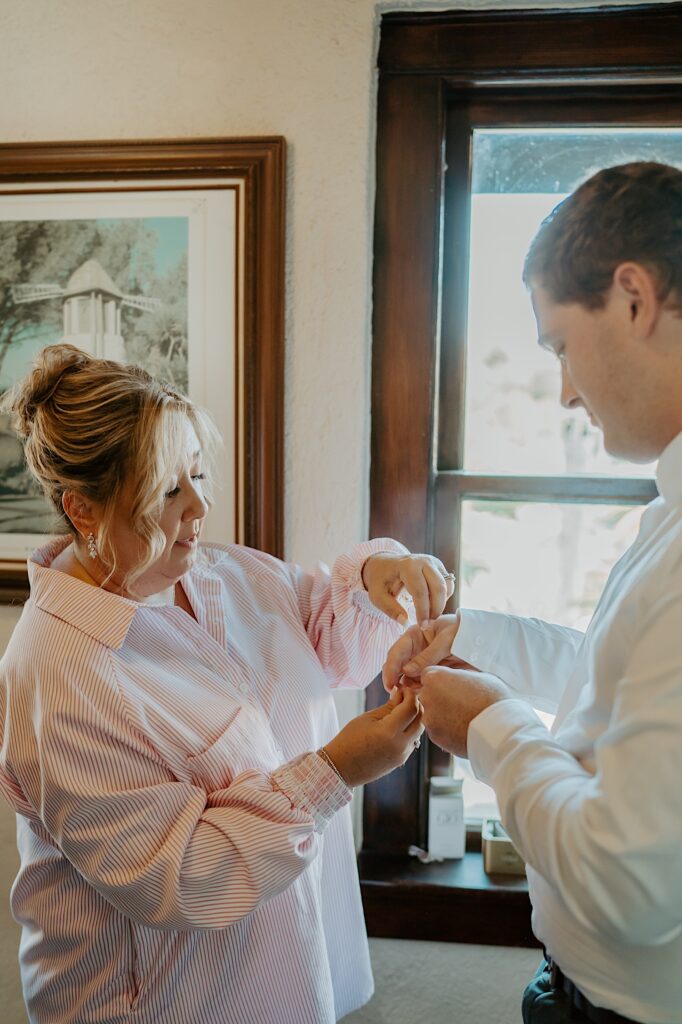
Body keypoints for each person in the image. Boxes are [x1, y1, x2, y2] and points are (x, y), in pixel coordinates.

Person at [0, 344, 454, 1024]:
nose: (201, 506)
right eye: (167, 490)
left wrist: (375, 580)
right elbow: (181, 878)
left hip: (286, 977)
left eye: (199, 474)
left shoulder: (221, 573)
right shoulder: (60, 675)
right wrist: (335, 772)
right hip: (163, 1004)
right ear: (84, 511)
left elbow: (326, 634)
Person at [383, 162, 682, 1024]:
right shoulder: (668, 507)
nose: (563, 392)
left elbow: (624, 882)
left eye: (559, 344)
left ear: (632, 298)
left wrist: (489, 725)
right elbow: (614, 682)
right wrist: (471, 638)